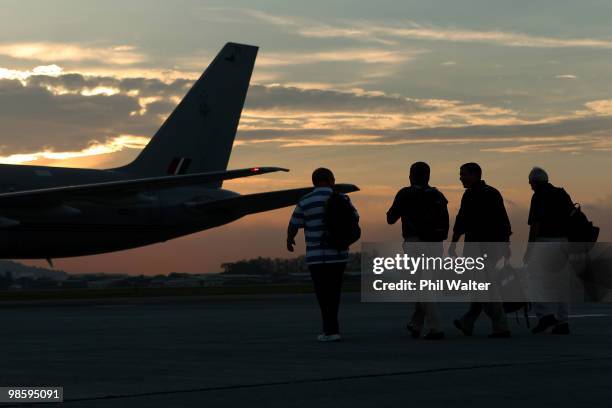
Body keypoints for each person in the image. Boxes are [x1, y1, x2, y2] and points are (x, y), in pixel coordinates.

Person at [286, 168, 359, 342]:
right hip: (339, 254)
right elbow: (355, 218)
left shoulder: (305, 201)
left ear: (314, 181)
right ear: (331, 180)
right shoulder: (342, 198)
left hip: (316, 256)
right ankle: (332, 329)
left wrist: (290, 239)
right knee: (334, 292)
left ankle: (330, 331)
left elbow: (294, 224)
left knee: (322, 293)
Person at [448, 162, 512, 338]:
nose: (460, 177)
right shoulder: (492, 192)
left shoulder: (472, 195)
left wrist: (453, 244)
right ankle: (467, 321)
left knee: (485, 288)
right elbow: (504, 222)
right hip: (492, 246)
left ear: (475, 175)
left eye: (463, 174)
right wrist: (506, 246)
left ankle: (501, 326)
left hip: (479, 247)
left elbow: (461, 222)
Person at [387, 162, 449, 340]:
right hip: (436, 245)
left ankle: (436, 328)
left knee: (423, 288)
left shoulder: (405, 194)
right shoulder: (438, 195)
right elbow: (445, 222)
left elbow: (391, 218)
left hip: (415, 243)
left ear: (410, 176)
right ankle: (416, 324)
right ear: (428, 176)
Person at [524, 167, 572, 335]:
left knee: (533, 280)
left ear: (535, 182)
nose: (530, 186)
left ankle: (545, 316)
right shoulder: (562, 194)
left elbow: (535, 225)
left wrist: (529, 250)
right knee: (562, 284)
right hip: (563, 243)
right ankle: (563, 321)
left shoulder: (538, 196)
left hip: (545, 243)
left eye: (530, 183)